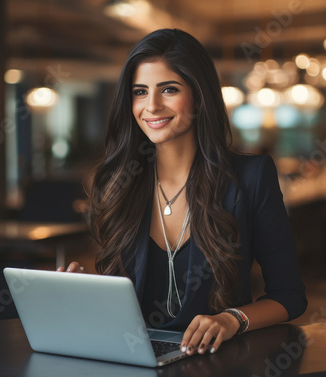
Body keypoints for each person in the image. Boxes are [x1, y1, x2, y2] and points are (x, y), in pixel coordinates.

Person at [57, 28, 307, 356]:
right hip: (136, 360)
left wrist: (232, 320)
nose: (152, 106)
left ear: (200, 96)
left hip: (218, 362)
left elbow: (289, 296)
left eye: (169, 89)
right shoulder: (118, 183)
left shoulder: (250, 178)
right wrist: (88, 295)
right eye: (140, 92)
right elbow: (125, 308)